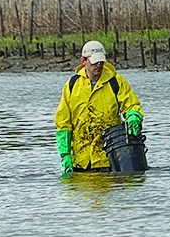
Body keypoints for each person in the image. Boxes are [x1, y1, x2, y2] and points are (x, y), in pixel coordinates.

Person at [54, 40, 143, 176]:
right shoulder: (72, 85)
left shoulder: (116, 82)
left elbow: (131, 105)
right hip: (80, 160)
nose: (99, 65)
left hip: (109, 158)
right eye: (94, 62)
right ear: (83, 61)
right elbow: (63, 123)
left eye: (101, 61)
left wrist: (133, 117)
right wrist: (65, 154)